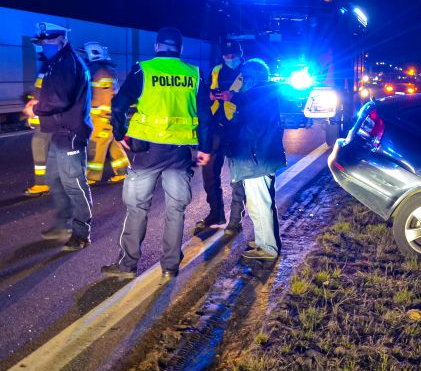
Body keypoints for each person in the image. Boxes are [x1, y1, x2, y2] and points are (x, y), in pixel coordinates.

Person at [102, 27, 213, 283]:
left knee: (137, 208)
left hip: (146, 152)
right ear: (180, 49)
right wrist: (205, 148)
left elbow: (118, 105)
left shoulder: (144, 70)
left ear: (157, 47)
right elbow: (206, 117)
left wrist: (120, 135)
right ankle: (170, 266)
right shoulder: (194, 74)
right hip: (180, 153)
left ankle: (128, 264)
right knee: (176, 209)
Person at [30, 22, 94, 250]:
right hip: (58, 132)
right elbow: (48, 92)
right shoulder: (55, 63)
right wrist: (34, 101)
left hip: (70, 134)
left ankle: (81, 232)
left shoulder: (68, 63)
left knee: (75, 184)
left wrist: (35, 108)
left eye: (49, 41)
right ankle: (62, 224)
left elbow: (59, 99)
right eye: (42, 41)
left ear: (62, 40)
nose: (44, 45)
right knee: (54, 179)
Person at [217, 58, 286, 260]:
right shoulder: (263, 94)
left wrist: (232, 97)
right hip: (258, 158)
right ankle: (264, 240)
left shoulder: (262, 94)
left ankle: (268, 248)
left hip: (257, 159)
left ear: (254, 78)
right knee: (258, 205)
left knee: (260, 204)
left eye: (245, 78)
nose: (242, 82)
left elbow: (248, 100)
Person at [193, 40, 246, 235]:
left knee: (238, 176)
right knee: (209, 175)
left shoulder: (248, 72)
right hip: (216, 127)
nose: (229, 59)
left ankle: (235, 220)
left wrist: (233, 97)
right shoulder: (215, 70)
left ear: (240, 55)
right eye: (226, 55)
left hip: (238, 129)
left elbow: (256, 98)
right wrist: (211, 96)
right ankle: (216, 214)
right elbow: (204, 93)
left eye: (233, 56)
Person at [82, 41, 129, 184]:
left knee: (95, 146)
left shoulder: (99, 72)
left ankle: (91, 177)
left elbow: (107, 96)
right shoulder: (104, 70)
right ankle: (123, 171)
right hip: (106, 116)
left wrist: (106, 115)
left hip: (101, 117)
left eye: (85, 54)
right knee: (114, 144)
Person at [23, 40, 52, 196]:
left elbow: (45, 95)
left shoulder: (49, 67)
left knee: (40, 147)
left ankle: (42, 184)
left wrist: (34, 108)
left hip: (46, 117)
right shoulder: (48, 67)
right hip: (46, 116)